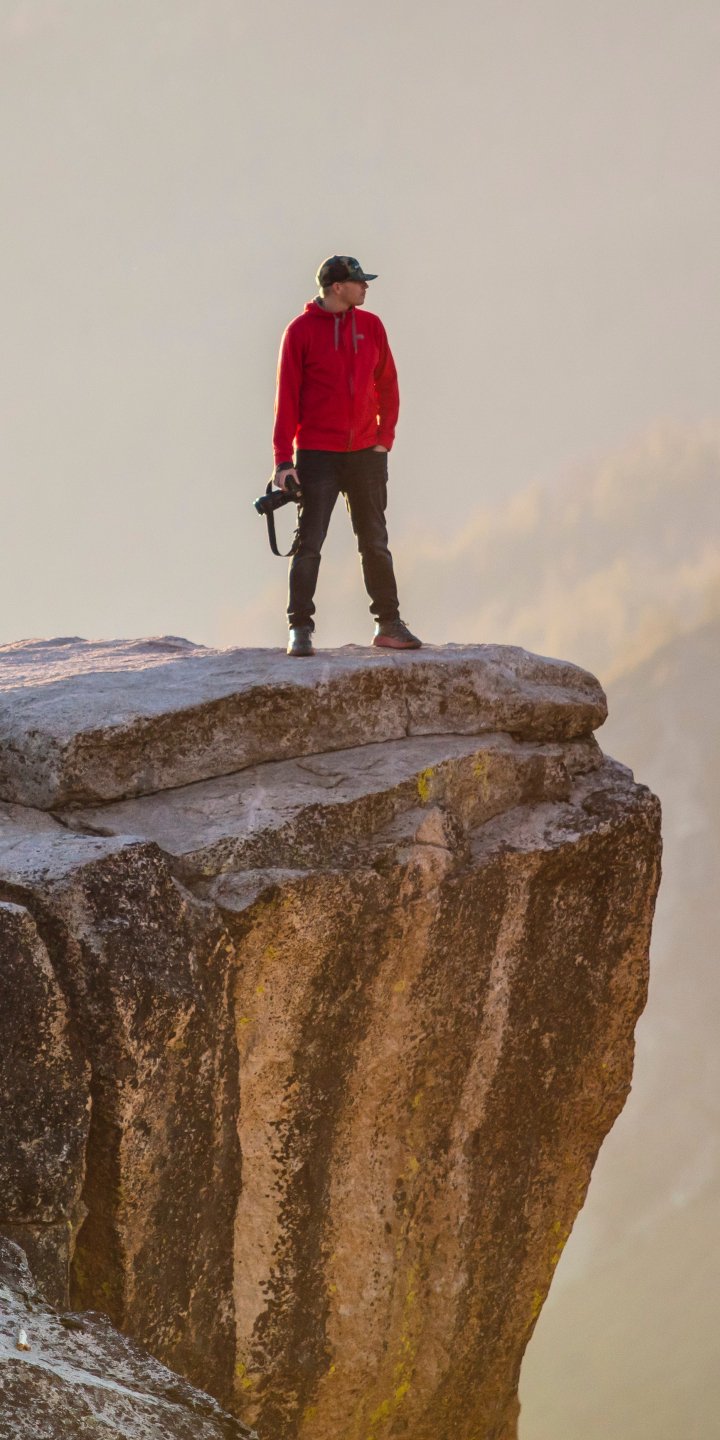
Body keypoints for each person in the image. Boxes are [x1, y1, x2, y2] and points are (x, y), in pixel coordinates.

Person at [272, 255, 422, 657]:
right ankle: (300, 628)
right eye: (359, 282)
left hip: (366, 455)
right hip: (317, 455)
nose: (366, 287)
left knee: (375, 542)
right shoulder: (299, 332)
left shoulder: (371, 326)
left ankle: (388, 624)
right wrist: (283, 461)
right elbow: (287, 398)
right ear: (337, 287)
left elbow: (388, 384)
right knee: (309, 543)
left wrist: (384, 438)